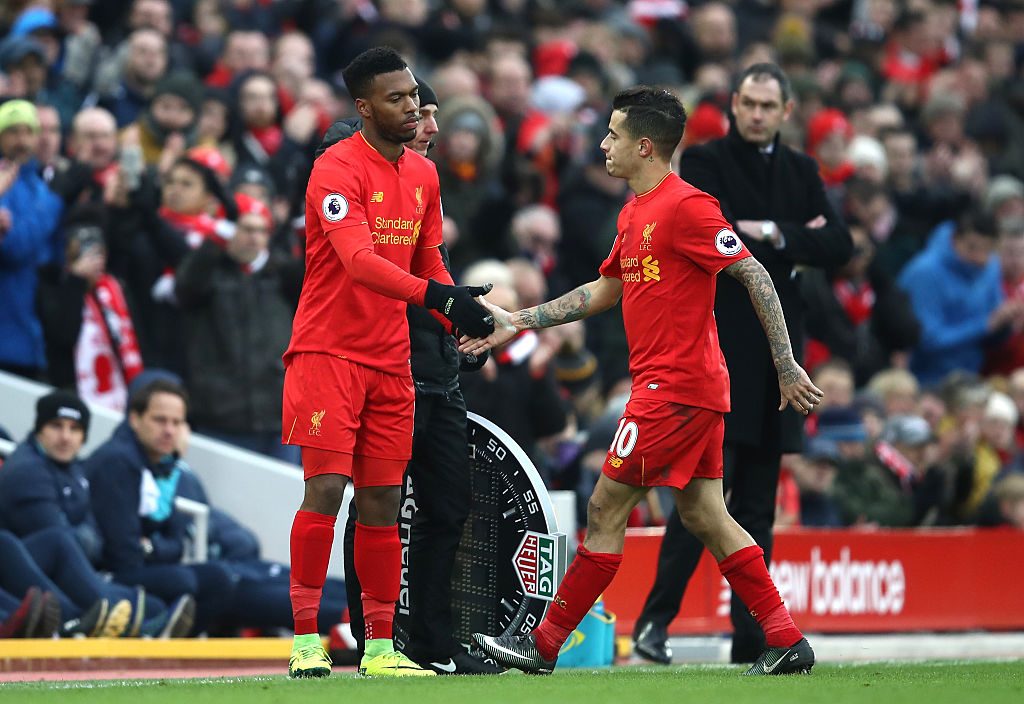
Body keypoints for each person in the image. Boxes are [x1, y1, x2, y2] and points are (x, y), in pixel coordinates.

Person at [463, 86, 822, 676]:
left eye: (613, 135)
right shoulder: (634, 212)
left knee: (605, 508)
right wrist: (519, 321)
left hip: (675, 390)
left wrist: (785, 364)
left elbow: (756, 276)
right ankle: (785, 638)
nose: (603, 144)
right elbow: (607, 289)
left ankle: (542, 644)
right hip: (682, 390)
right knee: (707, 515)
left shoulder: (689, 207)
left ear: (645, 146)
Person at [281, 47, 494, 679]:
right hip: (327, 352)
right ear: (363, 107)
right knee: (325, 489)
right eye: (397, 98)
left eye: (413, 96)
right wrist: (436, 297)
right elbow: (360, 262)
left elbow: (428, 259)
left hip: (391, 360)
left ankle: (380, 648)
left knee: (381, 501)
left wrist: (457, 314)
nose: (411, 108)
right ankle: (304, 640)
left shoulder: (424, 177)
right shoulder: (334, 169)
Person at [630, 63, 853, 666]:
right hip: (720, 350)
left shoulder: (803, 170)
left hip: (778, 358)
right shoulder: (703, 164)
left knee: (757, 504)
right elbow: (727, 235)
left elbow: (841, 245)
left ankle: (753, 641)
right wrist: (791, 237)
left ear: (786, 110)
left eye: (766, 105)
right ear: (733, 104)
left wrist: (773, 232)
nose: (755, 113)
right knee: (699, 501)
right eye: (747, 103)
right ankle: (655, 624)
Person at [0, 390, 194, 637]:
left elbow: (96, 540)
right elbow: (72, 538)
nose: (65, 437)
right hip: (40, 567)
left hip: (66, 567)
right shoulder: (26, 471)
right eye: (56, 426)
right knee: (46, 541)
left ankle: (95, 620)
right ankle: (77, 620)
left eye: (74, 429)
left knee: (153, 601)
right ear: (39, 429)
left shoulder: (73, 470)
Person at [84, 378, 236, 635]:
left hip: (146, 566)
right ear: (135, 419)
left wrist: (151, 546)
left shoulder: (167, 466)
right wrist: (156, 547)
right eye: (160, 420)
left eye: (177, 423)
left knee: (219, 577)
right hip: (109, 574)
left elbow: (176, 542)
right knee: (182, 580)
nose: (169, 430)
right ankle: (157, 639)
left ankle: (180, 654)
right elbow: (124, 555)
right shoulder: (117, 461)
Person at [0, 99, 63, 380]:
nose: (21, 140)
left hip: (24, 334)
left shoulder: (43, 193)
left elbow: (41, 255)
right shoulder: (46, 198)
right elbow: (16, 248)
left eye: (28, 131)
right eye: (12, 131)